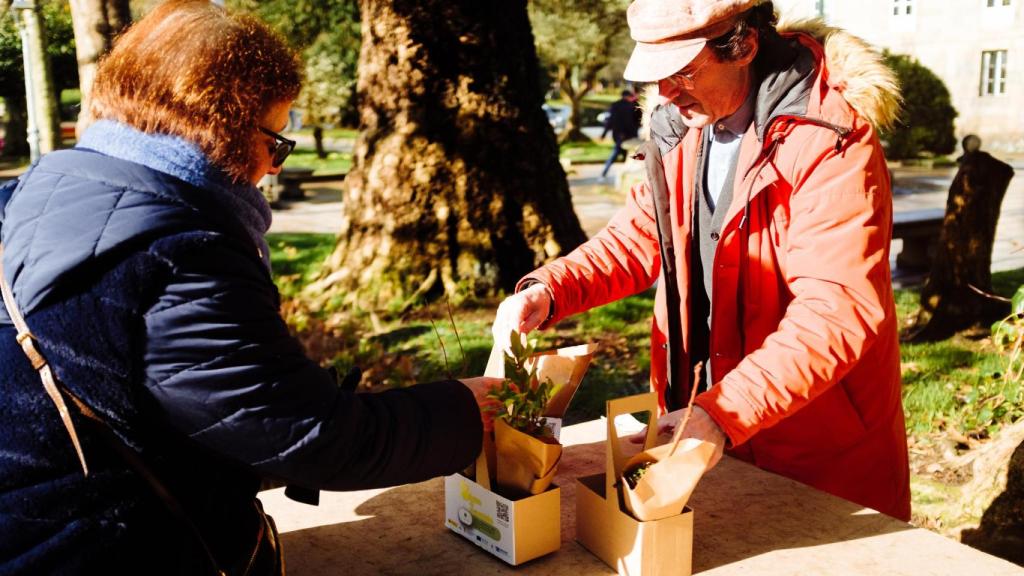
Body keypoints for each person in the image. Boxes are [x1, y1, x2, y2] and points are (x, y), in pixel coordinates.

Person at [0, 1, 496, 574]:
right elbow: (309, 435)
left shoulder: (27, 194)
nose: (276, 166)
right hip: (108, 550)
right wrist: (465, 411)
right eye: (275, 140)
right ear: (222, 121)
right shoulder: (181, 250)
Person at [494, 0, 911, 521]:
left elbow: (837, 310)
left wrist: (725, 411)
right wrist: (550, 288)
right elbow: (639, 238)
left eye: (681, 71)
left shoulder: (830, 139)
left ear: (743, 46)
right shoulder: (678, 126)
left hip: (813, 445)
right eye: (656, 72)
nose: (664, 92)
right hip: (697, 423)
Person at [600, 90, 642, 179]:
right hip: (630, 135)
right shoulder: (631, 106)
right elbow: (637, 119)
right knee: (619, 153)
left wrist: (604, 134)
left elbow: (610, 121)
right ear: (628, 96)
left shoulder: (615, 105)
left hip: (618, 134)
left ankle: (605, 173)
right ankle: (622, 174)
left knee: (618, 153)